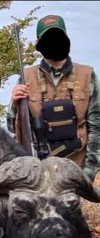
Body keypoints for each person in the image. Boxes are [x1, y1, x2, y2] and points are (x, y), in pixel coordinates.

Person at [7, 15, 100, 183]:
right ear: (39, 42)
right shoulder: (25, 77)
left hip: (75, 171)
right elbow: (12, 128)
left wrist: (89, 173)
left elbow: (97, 127)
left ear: (66, 38)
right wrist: (15, 104)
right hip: (38, 173)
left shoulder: (87, 75)